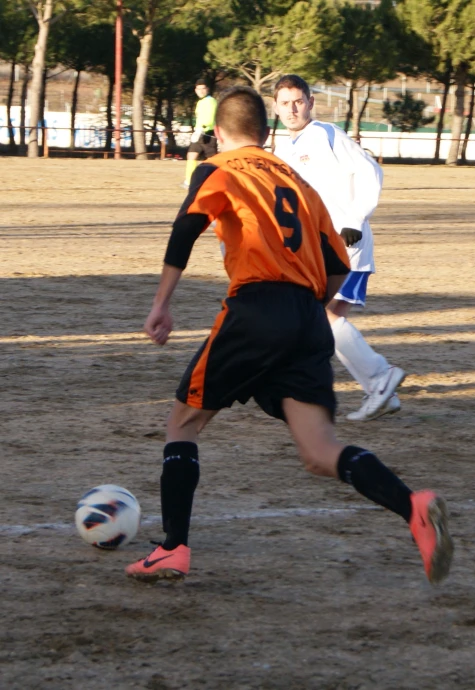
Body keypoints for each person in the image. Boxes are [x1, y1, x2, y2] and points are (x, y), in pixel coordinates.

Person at [125, 85, 453, 586]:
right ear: (267, 132)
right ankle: (411, 505)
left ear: (219, 133)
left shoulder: (217, 170)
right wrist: (305, 314)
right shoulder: (297, 180)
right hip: (308, 316)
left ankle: (172, 548)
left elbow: (184, 229)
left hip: (258, 308)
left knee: (182, 425)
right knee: (321, 452)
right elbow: (338, 269)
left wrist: (161, 304)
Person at [273, 74, 405, 422]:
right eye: (285, 103)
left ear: (311, 102)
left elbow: (370, 171)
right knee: (316, 320)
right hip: (315, 251)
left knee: (325, 318)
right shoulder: (282, 148)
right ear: (275, 107)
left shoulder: (325, 135)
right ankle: (380, 391)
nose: (292, 109)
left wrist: (354, 219)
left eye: (298, 101)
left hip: (346, 244)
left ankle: (380, 376)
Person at [183, 78, 217, 189]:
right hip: (199, 133)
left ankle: (215, 180)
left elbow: (211, 117)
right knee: (191, 155)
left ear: (207, 89)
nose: (201, 91)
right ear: (195, 90)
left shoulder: (210, 101)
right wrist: (197, 131)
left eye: (203, 89)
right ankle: (189, 181)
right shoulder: (200, 102)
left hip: (208, 133)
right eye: (199, 89)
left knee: (211, 159)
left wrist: (203, 128)